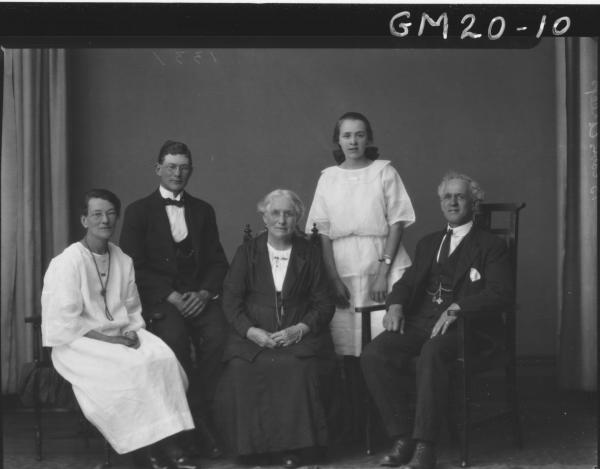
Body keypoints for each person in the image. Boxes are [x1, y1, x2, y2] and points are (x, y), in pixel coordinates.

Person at [360, 172, 514, 469]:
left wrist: (459, 306)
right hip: (422, 323)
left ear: (474, 202)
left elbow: (501, 292)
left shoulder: (490, 245)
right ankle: (402, 436)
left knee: (431, 353)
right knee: (374, 354)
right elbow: (407, 282)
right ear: (441, 203)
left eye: (460, 196)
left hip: (467, 329)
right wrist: (395, 304)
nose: (452, 202)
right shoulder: (429, 243)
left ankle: (425, 446)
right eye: (447, 197)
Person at [41, 189, 198, 469]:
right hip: (80, 343)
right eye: (97, 214)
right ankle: (144, 449)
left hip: (122, 334)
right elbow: (64, 322)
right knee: (130, 368)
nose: (105, 220)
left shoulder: (123, 259)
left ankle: (168, 443)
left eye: (111, 214)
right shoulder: (66, 262)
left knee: (162, 358)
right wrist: (108, 340)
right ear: (84, 220)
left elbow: (131, 306)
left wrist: (131, 331)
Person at [120, 140, 228, 459]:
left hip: (198, 298)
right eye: (171, 167)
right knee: (174, 343)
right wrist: (169, 295)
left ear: (191, 171)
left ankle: (203, 414)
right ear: (158, 169)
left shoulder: (203, 210)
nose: (177, 173)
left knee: (220, 339)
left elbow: (218, 262)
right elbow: (132, 265)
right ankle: (185, 428)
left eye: (183, 167)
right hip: (162, 301)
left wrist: (205, 293)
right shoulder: (138, 211)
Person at [215, 189, 335, 469]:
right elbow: (231, 301)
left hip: (297, 335)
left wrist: (300, 329)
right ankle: (254, 451)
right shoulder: (247, 252)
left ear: (297, 218)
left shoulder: (310, 253)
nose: (282, 219)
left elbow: (324, 303)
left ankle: (295, 450)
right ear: (264, 218)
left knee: (298, 368)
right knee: (242, 369)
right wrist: (250, 332)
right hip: (254, 336)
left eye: (289, 213)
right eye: (275, 213)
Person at [305, 111, 416, 357]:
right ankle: (351, 394)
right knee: (346, 339)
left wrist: (382, 273)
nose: (353, 141)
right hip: (342, 265)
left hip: (381, 259)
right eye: (347, 135)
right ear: (338, 140)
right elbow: (322, 232)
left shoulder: (385, 172)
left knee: (381, 340)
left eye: (359, 135)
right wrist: (333, 279)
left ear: (368, 139)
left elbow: (397, 223)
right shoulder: (328, 178)